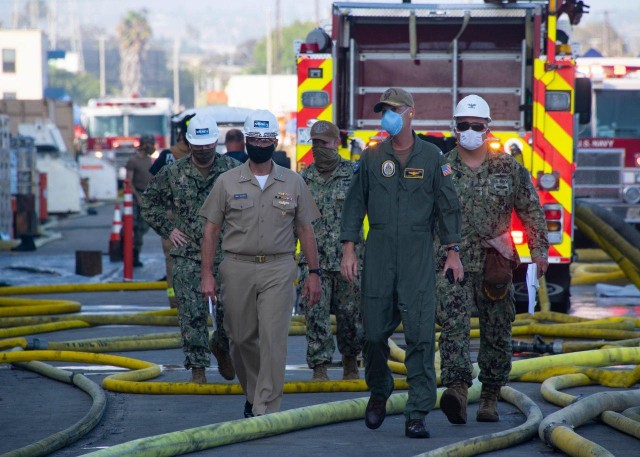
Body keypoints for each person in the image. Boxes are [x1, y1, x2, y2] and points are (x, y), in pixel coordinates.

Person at [340, 87, 463, 439]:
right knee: (374, 333)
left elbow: (448, 205)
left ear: (411, 112)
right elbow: (354, 204)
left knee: (420, 336)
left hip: (417, 254)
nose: (387, 116)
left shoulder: (432, 157)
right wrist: (349, 249)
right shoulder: (372, 157)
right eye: (383, 110)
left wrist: (453, 251)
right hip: (378, 252)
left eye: (393, 109)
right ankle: (380, 391)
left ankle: (417, 412)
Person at [200, 109, 322, 418]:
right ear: (246, 140)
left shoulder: (293, 182)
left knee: (273, 338)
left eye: (266, 139)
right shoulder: (226, 182)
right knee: (240, 339)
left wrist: (314, 274)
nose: (260, 143)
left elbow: (305, 229)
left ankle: (265, 406)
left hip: (279, 268)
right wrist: (207, 275)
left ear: (275, 142)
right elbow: (210, 229)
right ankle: (255, 393)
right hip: (236, 266)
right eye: (255, 138)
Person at [436, 94, 549, 424]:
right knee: (453, 330)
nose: (469, 130)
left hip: (494, 266)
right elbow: (425, 215)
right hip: (451, 264)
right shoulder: (441, 168)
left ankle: (490, 396)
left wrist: (538, 251)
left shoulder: (508, 168)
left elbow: (531, 211)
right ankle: (456, 390)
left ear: (488, 129)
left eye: (476, 126)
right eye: (463, 125)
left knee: (497, 331)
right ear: (454, 129)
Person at [141, 112, 239, 384]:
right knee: (191, 314)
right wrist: (168, 229)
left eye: (209, 144)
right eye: (200, 145)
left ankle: (222, 345)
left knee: (230, 313)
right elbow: (148, 203)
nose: (205, 150)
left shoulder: (232, 169)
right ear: (190, 143)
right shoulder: (173, 172)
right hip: (187, 255)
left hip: (225, 253)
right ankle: (197, 370)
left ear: (216, 142)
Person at [298, 120, 363, 381]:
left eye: (323, 143)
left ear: (336, 143)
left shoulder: (355, 174)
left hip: (349, 259)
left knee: (351, 317)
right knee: (315, 315)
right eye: (314, 143)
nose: (318, 148)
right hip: (314, 261)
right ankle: (320, 367)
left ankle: (350, 363)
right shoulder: (303, 178)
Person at [148, 114, 194, 308]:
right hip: (197, 217)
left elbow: (152, 184)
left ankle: (175, 302)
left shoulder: (168, 155)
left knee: (173, 260)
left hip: (172, 218)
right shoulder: (205, 157)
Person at [125, 133, 154, 267]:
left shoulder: (150, 160)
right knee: (134, 227)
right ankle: (133, 255)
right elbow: (128, 182)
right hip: (136, 197)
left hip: (147, 197)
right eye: (150, 143)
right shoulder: (133, 161)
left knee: (144, 227)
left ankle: (135, 251)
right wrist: (137, 197)